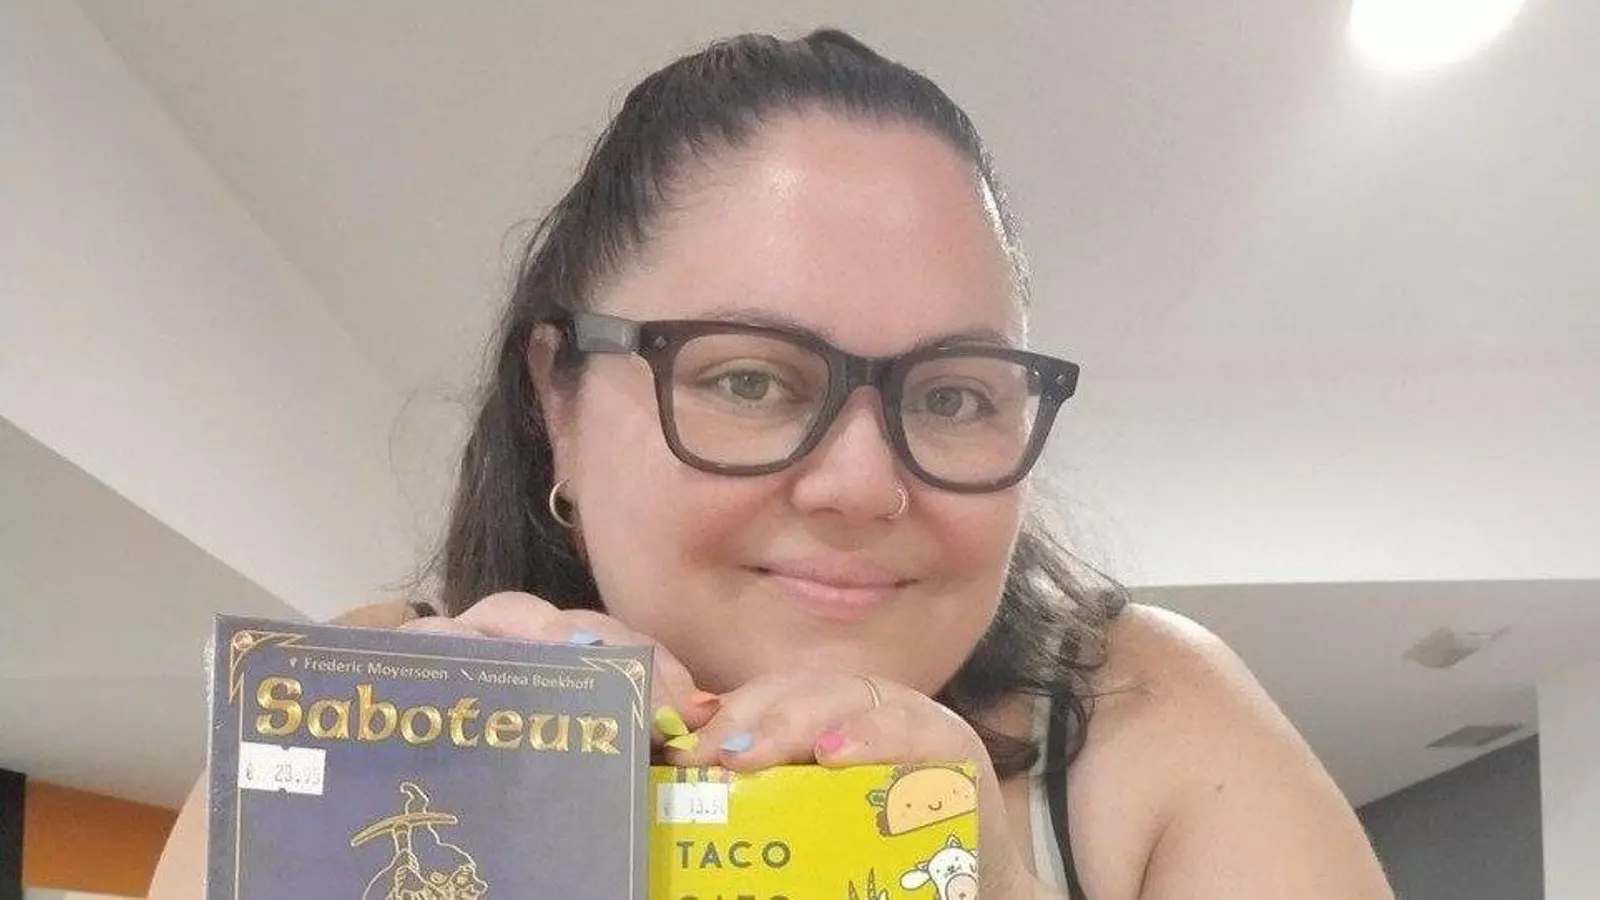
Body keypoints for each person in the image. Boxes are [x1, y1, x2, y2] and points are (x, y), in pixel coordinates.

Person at [151, 29, 1392, 899]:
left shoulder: (1149, 720)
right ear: (558, 400)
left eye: (952, 395)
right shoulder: (350, 716)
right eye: (748, 380)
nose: (862, 485)